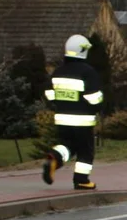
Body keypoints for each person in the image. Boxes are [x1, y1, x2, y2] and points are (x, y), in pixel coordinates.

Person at [42, 34, 103, 190]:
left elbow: (49, 95)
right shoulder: (88, 72)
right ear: (83, 51)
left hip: (62, 118)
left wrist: (60, 105)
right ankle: (81, 180)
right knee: (85, 150)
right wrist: (100, 104)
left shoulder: (58, 71)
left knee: (68, 145)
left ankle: (54, 157)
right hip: (82, 120)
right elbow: (94, 97)